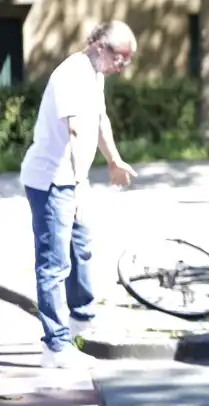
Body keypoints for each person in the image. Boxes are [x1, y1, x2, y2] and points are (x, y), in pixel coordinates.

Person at [19, 21, 139, 369]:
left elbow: (99, 120)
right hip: (50, 181)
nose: (123, 66)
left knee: (80, 246)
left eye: (128, 60)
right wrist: (78, 184)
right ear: (101, 46)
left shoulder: (94, 73)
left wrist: (114, 161)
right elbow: (76, 130)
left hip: (68, 179)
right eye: (121, 57)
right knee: (54, 262)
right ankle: (56, 344)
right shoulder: (72, 74)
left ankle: (82, 317)